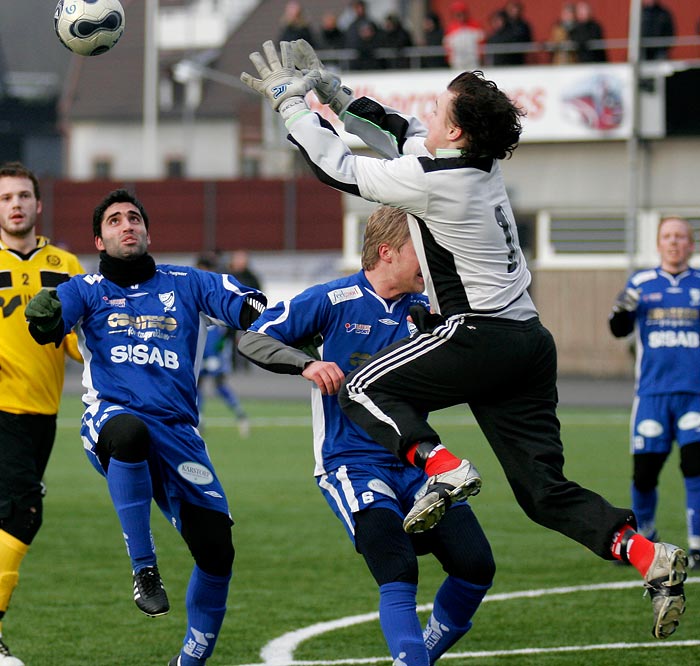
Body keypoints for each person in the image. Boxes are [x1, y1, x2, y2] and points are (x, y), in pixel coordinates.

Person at [240, 39, 688, 640]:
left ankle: (443, 467)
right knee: (542, 492)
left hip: (482, 335)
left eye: (440, 107)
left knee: (361, 386)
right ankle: (647, 556)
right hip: (530, 342)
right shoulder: (473, 165)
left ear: (456, 132)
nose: (428, 111)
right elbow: (400, 135)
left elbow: (338, 169)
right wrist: (335, 95)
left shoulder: (437, 181)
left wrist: (290, 105)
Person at [238, 205, 495, 666]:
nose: (430, 259)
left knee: (476, 567)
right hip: (351, 463)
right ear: (387, 253)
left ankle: (417, 656)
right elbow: (252, 339)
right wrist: (306, 363)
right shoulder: (332, 300)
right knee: (398, 567)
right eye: (421, 248)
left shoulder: (426, 311)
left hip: (417, 465)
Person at [24, 189, 266, 666]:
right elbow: (49, 319)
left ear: (148, 232)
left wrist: (273, 319)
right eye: (114, 221)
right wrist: (45, 315)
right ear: (99, 239)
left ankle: (189, 661)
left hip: (179, 434)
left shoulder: (187, 282)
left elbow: (248, 305)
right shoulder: (86, 288)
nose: (126, 224)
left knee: (218, 553)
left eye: (134, 218)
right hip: (112, 421)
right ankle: (145, 569)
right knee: (129, 433)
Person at [0, 162, 83, 666]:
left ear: (38, 204)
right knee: (22, 514)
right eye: (7, 196)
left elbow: (81, 341)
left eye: (23, 195)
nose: (15, 204)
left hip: (41, 414)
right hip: (1, 409)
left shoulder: (65, 265)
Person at [609, 216, 700, 570]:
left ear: (690, 244)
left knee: (695, 468)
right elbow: (618, 329)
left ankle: (697, 545)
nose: (674, 242)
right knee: (644, 474)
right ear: (659, 244)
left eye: (680, 236)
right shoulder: (641, 283)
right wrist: (622, 309)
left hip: (695, 394)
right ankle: (644, 537)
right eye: (667, 236)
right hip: (652, 395)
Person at [195, 254, 250, 438]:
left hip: (215, 349)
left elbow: (228, 322)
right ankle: (199, 419)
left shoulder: (217, 288)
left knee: (219, 384)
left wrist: (222, 346)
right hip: (199, 348)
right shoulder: (192, 287)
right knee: (197, 384)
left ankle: (240, 414)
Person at [228, 250, 262, 373]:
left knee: (247, 338)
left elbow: (259, 295)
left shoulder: (251, 277)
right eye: (238, 259)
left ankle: (247, 364)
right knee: (228, 340)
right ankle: (231, 365)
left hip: (246, 314)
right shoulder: (227, 276)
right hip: (229, 313)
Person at [443, 1, 484, 70]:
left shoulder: (475, 26)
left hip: (473, 61)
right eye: (457, 14)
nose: (460, 16)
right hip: (457, 62)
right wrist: (450, 60)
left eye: (462, 13)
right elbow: (447, 47)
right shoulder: (450, 29)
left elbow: (482, 43)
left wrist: (481, 58)